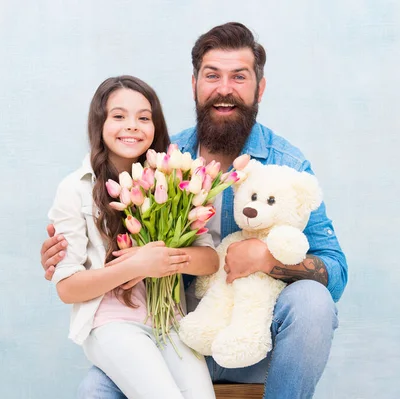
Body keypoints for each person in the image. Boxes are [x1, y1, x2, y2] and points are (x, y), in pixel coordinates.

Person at [42, 23, 348, 399]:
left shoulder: (286, 165)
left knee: (313, 304)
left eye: (239, 76)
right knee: (94, 390)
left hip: (250, 338)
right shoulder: (162, 159)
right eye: (212, 76)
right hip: (170, 329)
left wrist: (268, 260)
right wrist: (64, 256)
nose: (224, 89)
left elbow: (335, 271)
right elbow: (106, 225)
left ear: (260, 88)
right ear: (194, 85)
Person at [47, 75, 219, 399]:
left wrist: (163, 260)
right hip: (111, 324)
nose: (132, 126)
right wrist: (136, 265)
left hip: (170, 321)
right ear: (99, 123)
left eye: (143, 117)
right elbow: (67, 288)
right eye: (119, 116)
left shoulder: (174, 183)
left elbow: (209, 260)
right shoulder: (75, 188)